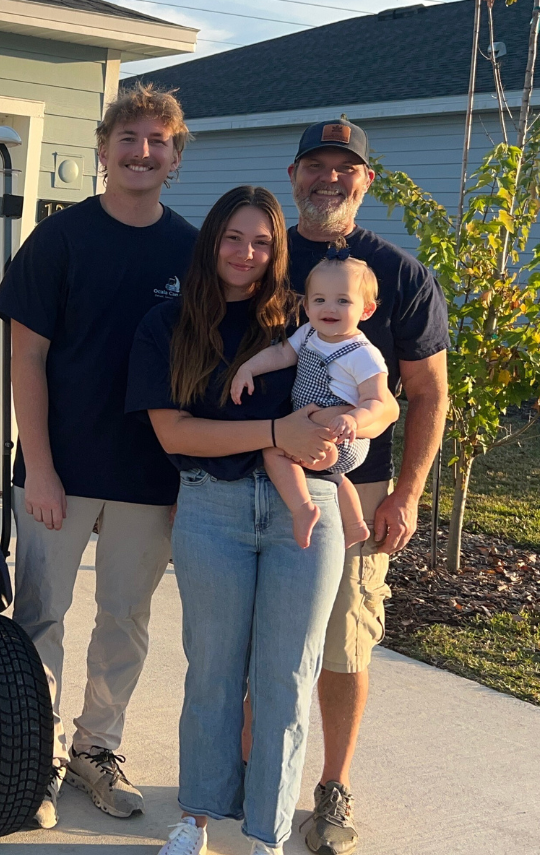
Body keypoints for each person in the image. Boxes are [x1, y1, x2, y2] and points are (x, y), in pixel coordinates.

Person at [126, 185, 398, 855]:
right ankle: (195, 822)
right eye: (233, 237)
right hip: (213, 509)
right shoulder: (168, 324)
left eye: (262, 241)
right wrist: (277, 430)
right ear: (211, 240)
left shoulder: (304, 317)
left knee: (287, 676)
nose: (246, 253)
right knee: (213, 672)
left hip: (305, 511)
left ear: (278, 250)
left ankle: (267, 835)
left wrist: (356, 422)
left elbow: (384, 400)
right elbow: (175, 435)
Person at [0, 84, 199, 829]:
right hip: (62, 469)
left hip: (149, 474)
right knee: (42, 616)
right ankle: (36, 754)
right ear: (105, 149)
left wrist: (189, 477)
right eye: (130, 138)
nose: (143, 152)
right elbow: (26, 360)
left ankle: (95, 751)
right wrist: (39, 466)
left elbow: (202, 367)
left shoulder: (191, 249)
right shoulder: (59, 240)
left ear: (175, 158)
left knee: (126, 621)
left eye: (159, 142)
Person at [285, 118, 449, 855]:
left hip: (356, 492)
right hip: (256, 478)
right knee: (257, 643)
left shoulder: (400, 277)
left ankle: (332, 788)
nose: (328, 177)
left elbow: (427, 393)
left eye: (343, 167)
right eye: (314, 165)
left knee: (344, 647)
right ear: (293, 177)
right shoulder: (255, 256)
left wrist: (405, 495)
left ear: (366, 181)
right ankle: (252, 772)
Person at [231, 252, 398, 550]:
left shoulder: (363, 354)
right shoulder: (309, 333)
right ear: (306, 306)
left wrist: (352, 419)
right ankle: (356, 525)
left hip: (342, 435)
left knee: (274, 450)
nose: (329, 308)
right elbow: (282, 354)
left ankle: (303, 509)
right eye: (319, 300)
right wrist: (248, 368)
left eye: (343, 301)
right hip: (322, 433)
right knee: (334, 475)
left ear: (367, 310)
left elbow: (376, 401)